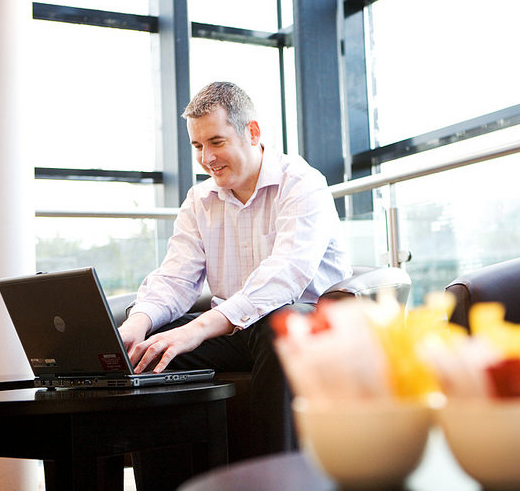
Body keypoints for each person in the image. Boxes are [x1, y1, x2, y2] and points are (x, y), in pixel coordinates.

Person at [118, 81, 352, 456]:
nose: (206, 158)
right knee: (153, 354)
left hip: (305, 326)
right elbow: (176, 277)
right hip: (234, 330)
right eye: (197, 146)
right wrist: (138, 324)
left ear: (253, 132)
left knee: (282, 325)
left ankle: (277, 479)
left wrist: (197, 329)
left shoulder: (304, 184)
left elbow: (285, 276)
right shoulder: (199, 199)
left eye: (216, 142)